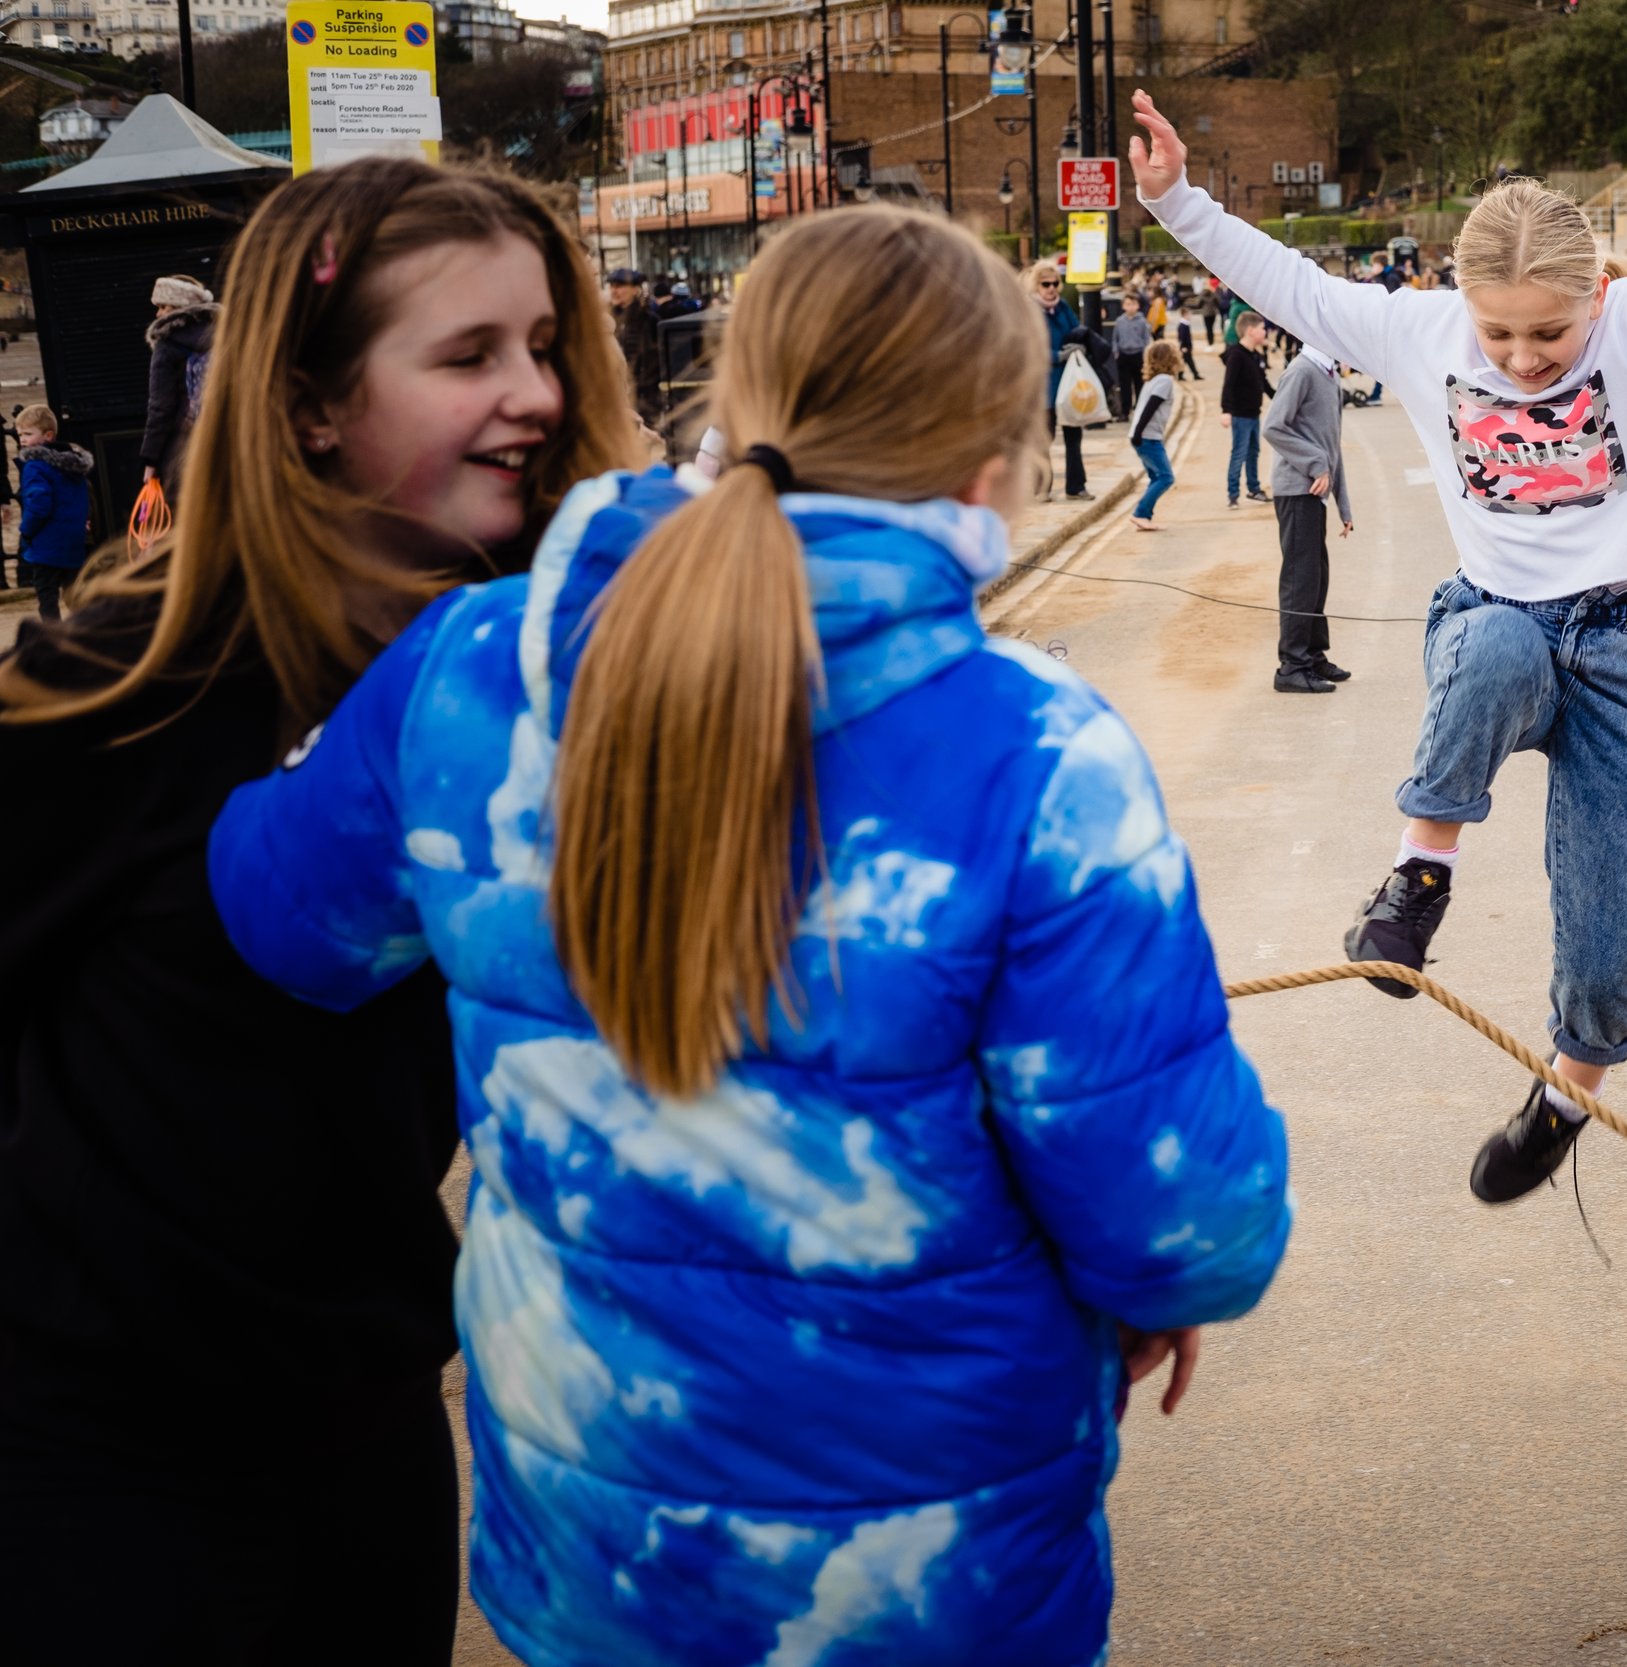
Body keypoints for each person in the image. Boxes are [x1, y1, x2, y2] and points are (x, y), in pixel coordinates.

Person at [206, 204, 1291, 1667]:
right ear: (997, 463)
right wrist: (1142, 1295)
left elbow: (287, 925)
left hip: (594, 1554)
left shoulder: (475, 664)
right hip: (926, 1583)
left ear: (735, 398)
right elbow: (1189, 1225)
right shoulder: (1036, 752)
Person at [0, 156, 640, 1667]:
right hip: (97, 1467)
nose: (536, 394)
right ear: (310, 403)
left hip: (365, 1430)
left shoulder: (536, 673)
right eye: (469, 353)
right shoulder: (136, 675)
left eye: (545, 346)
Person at [1131, 90, 1627, 1192]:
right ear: (1461, 305)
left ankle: (1564, 1095)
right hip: (1491, 620)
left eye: (1550, 331)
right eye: (1499, 332)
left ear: (1599, 297)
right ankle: (1417, 875)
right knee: (1496, 646)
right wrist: (1177, 200)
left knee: (1612, 933)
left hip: (1622, 644)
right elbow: (1288, 282)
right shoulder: (1419, 331)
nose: (1524, 356)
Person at [1263, 340, 1355, 693]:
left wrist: (1343, 505)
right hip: (1296, 489)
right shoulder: (1301, 370)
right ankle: (1292, 666)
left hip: (1313, 493)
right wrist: (1315, 463)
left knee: (1316, 577)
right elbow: (1273, 427)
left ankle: (1313, 656)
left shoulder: (1328, 374)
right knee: (1300, 579)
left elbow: (1331, 447)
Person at [1033, 260, 1110, 501]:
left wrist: (1079, 344)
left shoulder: (1063, 307)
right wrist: (1057, 355)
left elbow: (1077, 329)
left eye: (1055, 283)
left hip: (1069, 384)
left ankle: (1076, 487)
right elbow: (1028, 349)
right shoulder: (1030, 310)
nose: (1052, 288)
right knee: (1042, 440)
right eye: (1046, 284)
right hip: (1044, 387)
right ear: (1036, 285)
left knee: (1074, 437)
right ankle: (1041, 489)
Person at [11, 404, 91, 622]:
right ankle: (86, 628)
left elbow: (39, 503)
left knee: (47, 595)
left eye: (28, 434)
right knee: (74, 592)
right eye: (20, 435)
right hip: (73, 539)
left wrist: (26, 531)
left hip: (46, 543)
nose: (22, 440)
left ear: (48, 435)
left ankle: (53, 637)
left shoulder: (34, 466)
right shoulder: (73, 466)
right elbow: (83, 497)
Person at [139, 273, 217, 490]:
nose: (158, 313)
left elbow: (160, 407)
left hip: (185, 445)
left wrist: (150, 459)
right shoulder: (224, 336)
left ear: (179, 307)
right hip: (224, 440)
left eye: (164, 306)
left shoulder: (168, 342)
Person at [1220, 312, 1274, 507]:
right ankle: (1232, 493)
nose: (1265, 332)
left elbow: (1264, 383)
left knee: (1254, 451)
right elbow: (1229, 384)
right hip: (1240, 414)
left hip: (1254, 413)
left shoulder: (1255, 355)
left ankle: (1254, 488)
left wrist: (1279, 398)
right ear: (1250, 331)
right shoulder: (1236, 355)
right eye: (1262, 329)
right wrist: (1226, 410)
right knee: (1239, 452)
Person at [1130, 336, 1182, 530]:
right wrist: (1139, 432)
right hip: (1147, 437)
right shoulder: (1164, 381)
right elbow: (1150, 407)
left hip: (1143, 435)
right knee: (1166, 477)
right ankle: (1140, 513)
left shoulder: (1152, 380)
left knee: (1155, 477)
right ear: (1171, 359)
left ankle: (1145, 517)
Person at [606, 267, 664, 423]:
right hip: (617, 398)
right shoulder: (606, 319)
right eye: (612, 286)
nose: (614, 291)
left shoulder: (649, 319)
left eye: (620, 286)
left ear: (635, 289)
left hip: (646, 399)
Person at [1112, 289, 1152, 416]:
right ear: (1123, 306)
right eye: (1128, 304)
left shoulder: (1142, 321)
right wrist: (1116, 351)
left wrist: (1145, 354)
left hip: (1137, 355)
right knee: (1125, 386)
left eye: (1133, 304)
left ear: (1138, 306)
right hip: (1123, 355)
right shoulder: (1119, 321)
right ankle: (1125, 411)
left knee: (1139, 384)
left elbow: (1146, 339)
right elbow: (1115, 338)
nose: (1130, 307)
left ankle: (1140, 409)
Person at [1175, 309, 1203, 378]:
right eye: (1189, 315)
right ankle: (1194, 375)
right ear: (1184, 315)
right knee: (1188, 361)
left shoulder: (1185, 324)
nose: (1190, 316)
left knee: (1186, 361)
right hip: (1185, 347)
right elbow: (1182, 337)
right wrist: (1183, 346)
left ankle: (1181, 375)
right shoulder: (1183, 325)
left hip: (1187, 346)